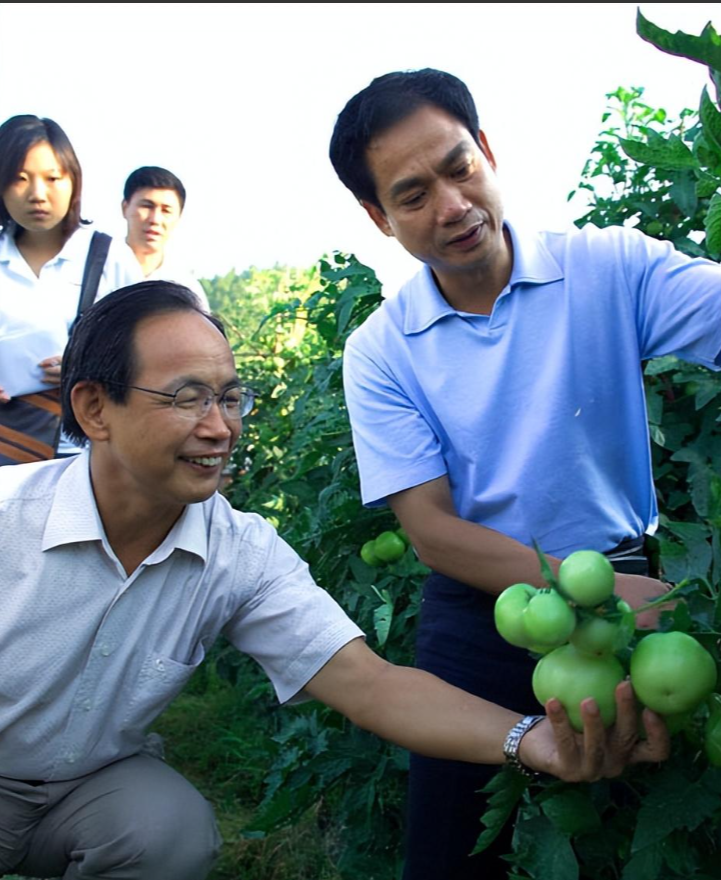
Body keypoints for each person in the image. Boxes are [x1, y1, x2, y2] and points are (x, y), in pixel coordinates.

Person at [0, 282, 669, 880]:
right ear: (93, 409)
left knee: (167, 831)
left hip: (88, 788)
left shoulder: (238, 553)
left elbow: (370, 685)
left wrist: (534, 739)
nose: (220, 427)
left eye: (231, 397)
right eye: (187, 398)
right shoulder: (9, 522)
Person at [329, 68, 721, 879]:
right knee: (447, 852)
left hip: (622, 590)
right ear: (378, 217)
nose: (451, 205)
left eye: (459, 166)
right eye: (411, 194)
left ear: (488, 152)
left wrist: (615, 591)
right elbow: (430, 530)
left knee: (617, 828)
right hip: (483, 612)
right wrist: (608, 595)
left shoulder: (610, 269)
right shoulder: (381, 351)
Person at [0, 114, 136, 463]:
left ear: (73, 181)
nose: (37, 194)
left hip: (89, 451)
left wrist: (89, 367)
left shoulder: (107, 258)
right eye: (20, 179)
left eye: (53, 178)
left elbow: (148, 349)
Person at [120, 165, 210, 309]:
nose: (155, 219)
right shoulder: (96, 270)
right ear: (125, 208)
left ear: (179, 216)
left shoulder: (185, 288)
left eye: (166, 210)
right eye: (147, 206)